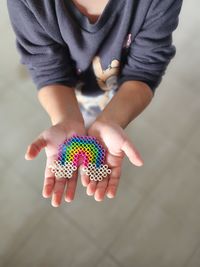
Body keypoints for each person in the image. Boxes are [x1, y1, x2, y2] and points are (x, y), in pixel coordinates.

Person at [7, 0, 183, 206]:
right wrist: (66, 117)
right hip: (69, 93)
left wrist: (113, 119)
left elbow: (145, 70)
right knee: (87, 117)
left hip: (122, 92)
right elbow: (47, 69)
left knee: (104, 119)